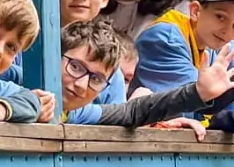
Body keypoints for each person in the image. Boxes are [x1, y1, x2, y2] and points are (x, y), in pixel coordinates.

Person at [44, 19, 234, 137]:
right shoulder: (29, 88)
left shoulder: (77, 113)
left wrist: (198, 93)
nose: (80, 84)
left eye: (96, 79)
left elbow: (132, 111)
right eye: (75, 67)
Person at [130, 0, 234, 122]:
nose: (227, 31)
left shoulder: (215, 42)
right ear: (195, 11)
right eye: (220, 17)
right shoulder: (164, 38)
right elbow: (193, 102)